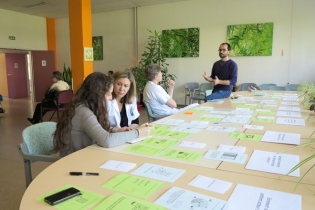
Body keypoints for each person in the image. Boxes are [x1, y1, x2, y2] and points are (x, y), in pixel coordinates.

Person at [53, 72, 152, 157]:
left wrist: (117, 130)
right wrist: (137, 133)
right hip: (75, 161)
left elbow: (99, 130)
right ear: (98, 95)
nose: (110, 98)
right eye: (109, 94)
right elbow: (106, 140)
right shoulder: (83, 112)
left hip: (87, 155)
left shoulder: (88, 107)